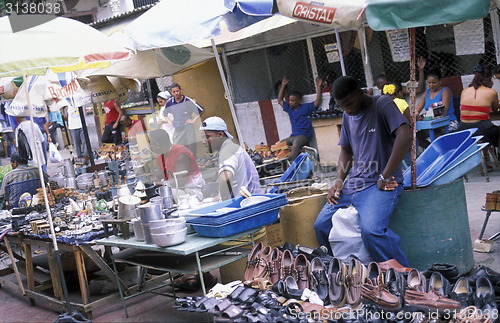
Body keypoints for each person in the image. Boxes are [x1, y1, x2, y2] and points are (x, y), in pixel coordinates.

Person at [313, 76, 412, 266]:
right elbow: (347, 150)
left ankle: (402, 278)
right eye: (343, 106)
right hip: (354, 183)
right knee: (321, 226)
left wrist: (385, 174)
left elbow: (405, 135)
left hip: (380, 184)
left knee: (372, 231)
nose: (348, 109)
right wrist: (339, 181)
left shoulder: (382, 104)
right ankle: (339, 272)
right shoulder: (347, 115)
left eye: (350, 104)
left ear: (361, 92)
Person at [199, 116, 260, 201]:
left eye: (207, 137)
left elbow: (225, 179)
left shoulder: (228, 150)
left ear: (220, 135)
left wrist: (224, 203)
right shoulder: (232, 148)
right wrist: (214, 199)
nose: (203, 141)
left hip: (247, 205)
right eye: (202, 138)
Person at [277, 76, 324, 161]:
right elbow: (280, 100)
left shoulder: (306, 108)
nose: (290, 102)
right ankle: (281, 163)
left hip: (304, 136)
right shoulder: (290, 109)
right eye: (289, 100)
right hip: (293, 136)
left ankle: (292, 164)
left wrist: (319, 86)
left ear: (299, 101)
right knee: (279, 144)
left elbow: (317, 102)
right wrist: (283, 85)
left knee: (296, 145)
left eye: (292, 100)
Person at [456, 65, 499, 147]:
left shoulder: (464, 91)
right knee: (497, 130)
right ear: (488, 78)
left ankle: (484, 156)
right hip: (482, 130)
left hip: (464, 130)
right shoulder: (491, 92)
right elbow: (495, 109)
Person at [416, 68, 457, 149]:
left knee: (437, 137)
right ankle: (433, 151)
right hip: (432, 125)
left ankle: (439, 152)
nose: (431, 85)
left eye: (434, 83)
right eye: (429, 83)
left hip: (448, 123)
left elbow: (443, 110)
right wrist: (416, 114)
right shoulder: (427, 93)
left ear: (440, 81)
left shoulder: (445, 91)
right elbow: (417, 109)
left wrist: (425, 116)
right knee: (417, 137)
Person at [163, 83, 203, 157]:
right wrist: (170, 122)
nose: (176, 93)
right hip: (177, 128)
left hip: (188, 127)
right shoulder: (170, 102)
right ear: (171, 92)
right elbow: (165, 114)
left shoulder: (187, 100)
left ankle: (193, 165)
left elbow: (201, 110)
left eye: (177, 91)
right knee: (177, 148)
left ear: (180, 90)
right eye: (174, 92)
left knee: (191, 147)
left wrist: (193, 120)